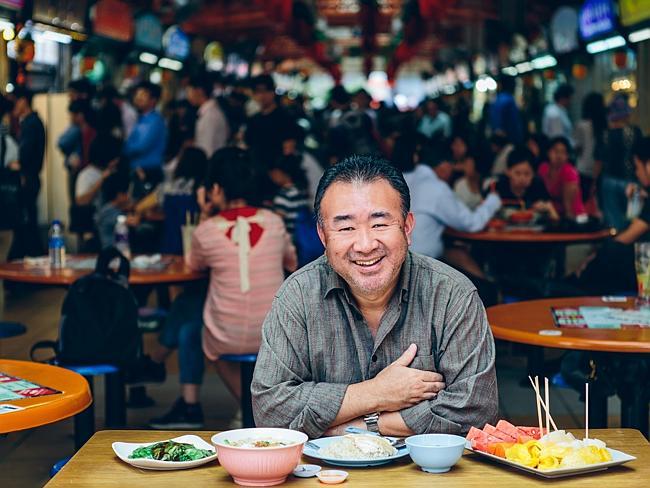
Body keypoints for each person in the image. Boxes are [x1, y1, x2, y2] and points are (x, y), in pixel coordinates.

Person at [252, 155, 497, 438]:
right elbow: (270, 411)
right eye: (346, 228)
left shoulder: (452, 294)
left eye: (379, 224)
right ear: (323, 236)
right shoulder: (297, 296)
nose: (366, 245)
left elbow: (476, 411)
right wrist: (377, 393)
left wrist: (359, 425)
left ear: (407, 227)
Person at [149, 147, 297, 428]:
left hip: (227, 336)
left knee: (199, 329)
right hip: (276, 332)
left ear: (215, 188)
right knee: (192, 317)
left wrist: (205, 214)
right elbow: (292, 261)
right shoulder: (274, 222)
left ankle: (249, 404)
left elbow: (193, 264)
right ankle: (258, 405)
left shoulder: (208, 230)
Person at [7, 86, 45, 260]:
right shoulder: (33, 122)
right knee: (28, 223)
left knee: (25, 224)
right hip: (31, 178)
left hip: (27, 179)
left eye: (16, 101)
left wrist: (17, 164)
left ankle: (30, 263)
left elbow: (26, 154)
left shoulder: (30, 124)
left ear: (23, 101)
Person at [598, 93, 643, 230]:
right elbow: (641, 156)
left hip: (609, 181)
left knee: (613, 222)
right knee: (633, 219)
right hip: (631, 180)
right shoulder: (635, 131)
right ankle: (629, 246)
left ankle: (616, 247)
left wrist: (595, 183)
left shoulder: (605, 134)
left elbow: (599, 161)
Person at [124, 81, 168, 189]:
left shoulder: (154, 121)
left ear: (153, 100)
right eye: (137, 95)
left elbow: (140, 146)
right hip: (140, 170)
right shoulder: (142, 119)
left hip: (149, 172)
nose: (138, 98)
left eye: (143, 95)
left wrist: (124, 147)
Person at [495, 147, 558, 219]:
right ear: (507, 172)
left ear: (534, 174)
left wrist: (549, 208)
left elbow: (555, 220)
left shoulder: (538, 185)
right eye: (517, 173)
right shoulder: (497, 187)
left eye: (527, 174)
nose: (522, 178)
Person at [538, 137, 585, 220]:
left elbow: (568, 207)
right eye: (556, 151)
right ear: (548, 152)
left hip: (573, 216)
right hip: (552, 214)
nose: (559, 156)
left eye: (563, 152)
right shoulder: (543, 168)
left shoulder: (569, 172)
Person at [574, 92, 606, 205]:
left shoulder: (582, 125)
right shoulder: (605, 125)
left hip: (584, 168)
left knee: (584, 202)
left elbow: (578, 148)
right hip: (601, 169)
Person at [186, 75, 229, 159]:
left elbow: (207, 150)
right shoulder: (209, 112)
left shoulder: (210, 115)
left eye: (189, 90)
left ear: (199, 91)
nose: (188, 95)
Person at [269, 154, 311, 239]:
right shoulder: (302, 191)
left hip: (291, 241)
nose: (271, 176)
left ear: (284, 173)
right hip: (306, 238)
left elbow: (277, 223)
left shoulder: (283, 195)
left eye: (274, 173)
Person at [95, 171, 131, 249]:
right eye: (125, 193)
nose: (128, 197)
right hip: (111, 251)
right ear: (118, 195)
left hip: (119, 249)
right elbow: (129, 221)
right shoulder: (108, 211)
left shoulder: (113, 208)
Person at [489, 75, 523, 144]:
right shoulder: (509, 100)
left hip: (496, 139)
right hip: (508, 140)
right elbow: (514, 123)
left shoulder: (496, 100)